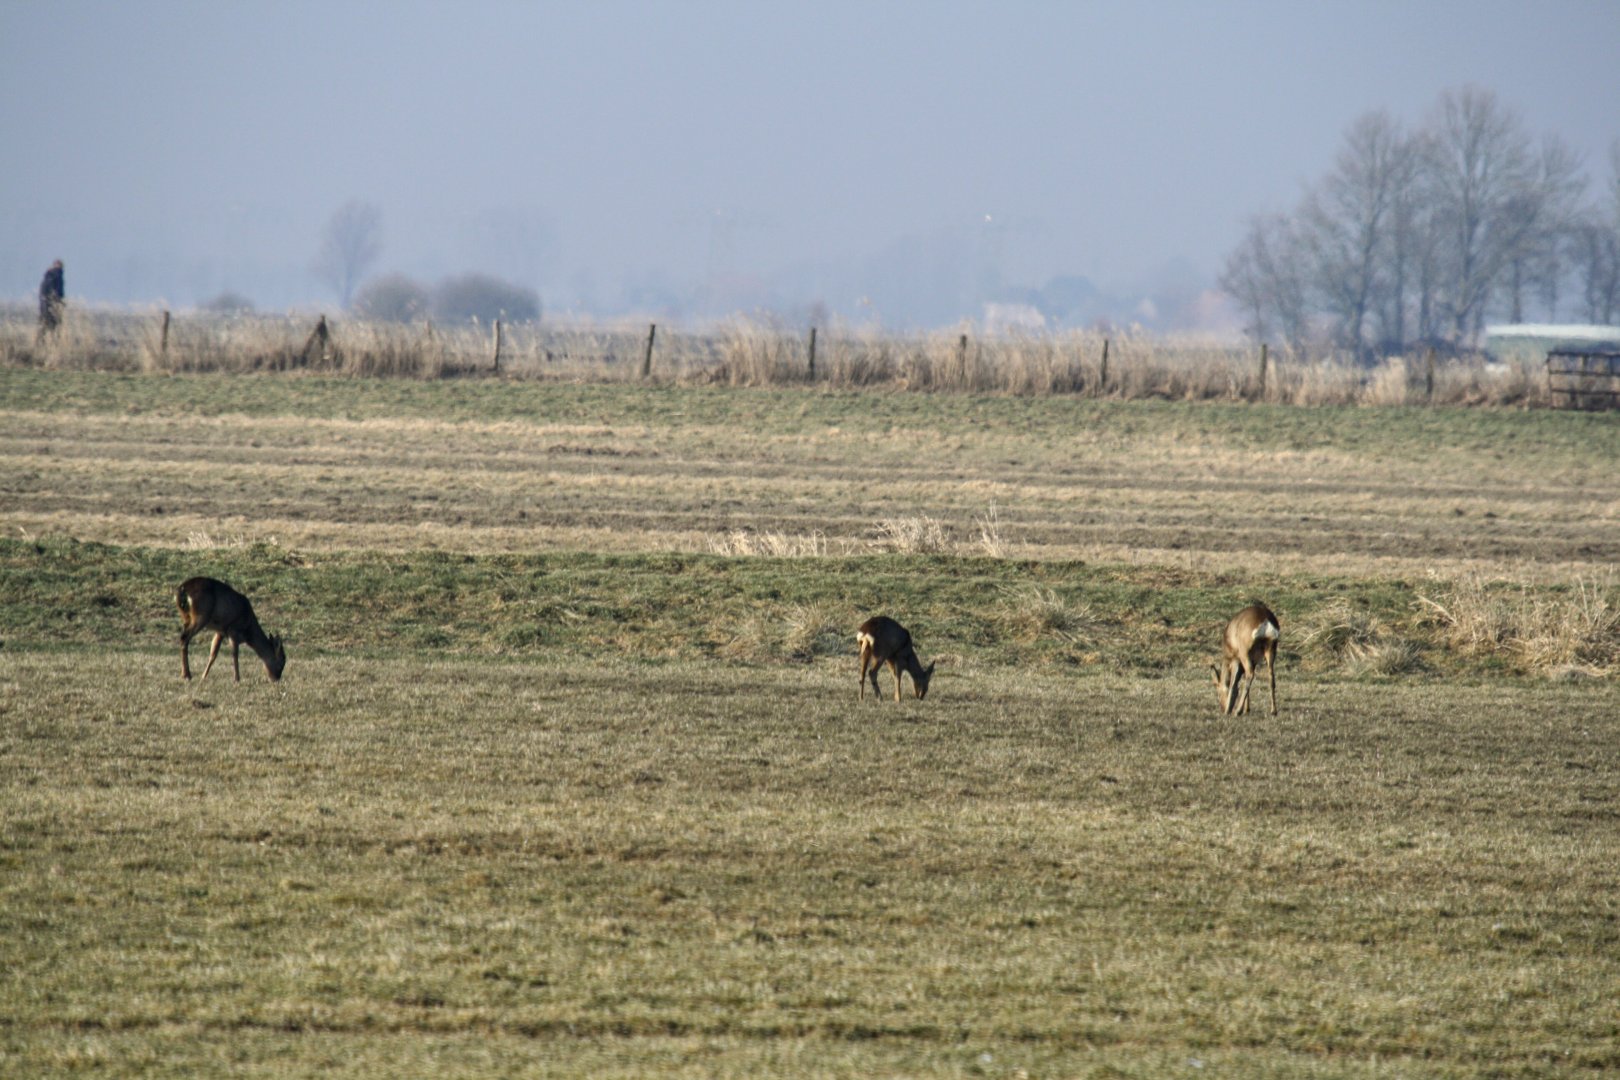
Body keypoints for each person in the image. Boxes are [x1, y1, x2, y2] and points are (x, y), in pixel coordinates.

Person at [37, 259, 65, 344]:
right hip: (50, 304)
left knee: (49, 324)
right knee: (51, 323)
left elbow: (58, 291)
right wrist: (55, 300)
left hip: (49, 303)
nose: (59, 268)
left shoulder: (53, 275)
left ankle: (46, 341)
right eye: (58, 266)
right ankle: (47, 341)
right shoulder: (53, 275)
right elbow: (52, 291)